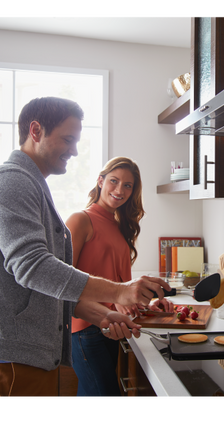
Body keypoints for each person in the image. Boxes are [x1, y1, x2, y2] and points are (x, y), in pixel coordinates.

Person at [0, 97, 170, 399]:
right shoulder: (11, 181)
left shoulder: (31, 185)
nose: (75, 150)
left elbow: (41, 286)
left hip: (22, 355)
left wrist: (99, 315)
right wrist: (119, 292)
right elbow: (33, 267)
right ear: (36, 130)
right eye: (68, 139)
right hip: (7, 357)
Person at [66, 157, 169, 399]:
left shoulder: (118, 224)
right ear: (100, 181)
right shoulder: (81, 220)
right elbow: (63, 281)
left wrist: (150, 304)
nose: (119, 190)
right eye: (114, 181)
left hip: (112, 327)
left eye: (128, 185)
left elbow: (119, 286)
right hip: (85, 328)